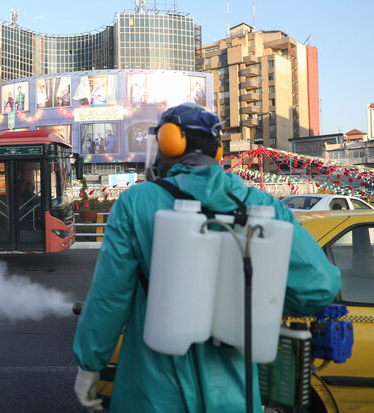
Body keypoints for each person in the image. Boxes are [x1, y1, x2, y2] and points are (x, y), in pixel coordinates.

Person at [72, 103, 341, 412]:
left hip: (151, 396)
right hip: (238, 400)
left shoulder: (136, 203)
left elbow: (109, 297)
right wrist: (262, 291)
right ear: (217, 151)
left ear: (171, 141)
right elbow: (320, 286)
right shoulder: (264, 206)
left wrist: (90, 365)